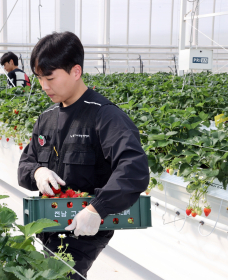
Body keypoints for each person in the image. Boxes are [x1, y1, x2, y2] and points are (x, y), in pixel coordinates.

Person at [17, 31, 149, 280]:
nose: (44, 86)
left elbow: (134, 169)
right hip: (48, 223)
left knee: (63, 275)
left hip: (84, 229)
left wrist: (97, 209)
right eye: (39, 78)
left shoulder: (104, 116)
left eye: (50, 77)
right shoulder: (46, 118)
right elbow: (25, 164)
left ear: (76, 72)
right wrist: (37, 172)